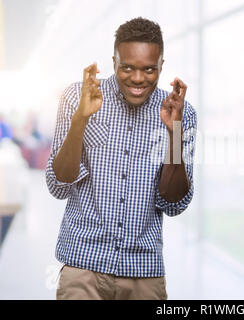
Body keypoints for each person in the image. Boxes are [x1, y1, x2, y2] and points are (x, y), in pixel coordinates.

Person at [45, 17, 197, 300]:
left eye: (149, 69)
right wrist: (81, 118)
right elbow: (58, 184)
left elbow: (175, 202)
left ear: (162, 65)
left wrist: (174, 131)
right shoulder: (76, 97)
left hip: (143, 271)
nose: (138, 79)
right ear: (113, 61)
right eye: (127, 67)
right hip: (82, 265)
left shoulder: (181, 113)